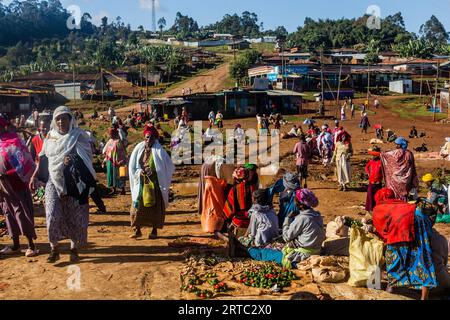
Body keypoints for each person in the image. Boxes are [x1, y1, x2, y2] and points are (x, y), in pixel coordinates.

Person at [30, 106, 97, 263]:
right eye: (58, 118)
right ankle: (54, 249)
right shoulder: (50, 138)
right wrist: (34, 176)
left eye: (64, 118)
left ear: (70, 119)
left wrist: (72, 158)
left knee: (75, 216)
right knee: (52, 214)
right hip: (53, 180)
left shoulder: (78, 136)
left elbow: (87, 157)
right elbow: (42, 159)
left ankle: (74, 249)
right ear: (55, 120)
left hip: (74, 182)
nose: (61, 122)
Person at [373, 191, 439, 300]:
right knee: (422, 256)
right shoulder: (400, 203)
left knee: (394, 255)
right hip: (418, 216)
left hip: (404, 224)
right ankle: (424, 297)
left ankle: (391, 287)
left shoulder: (380, 208)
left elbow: (383, 232)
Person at [247, 189, 325, 269]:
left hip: (302, 256)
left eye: (295, 200)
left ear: (301, 205)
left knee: (264, 253)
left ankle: (249, 251)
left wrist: (287, 219)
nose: (294, 202)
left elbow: (286, 237)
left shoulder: (302, 218)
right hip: (316, 251)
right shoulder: (317, 215)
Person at [0, 114, 38, 257]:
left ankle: (31, 245)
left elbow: (23, 164)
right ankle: (15, 244)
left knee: (21, 211)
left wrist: (7, 174)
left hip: (16, 183)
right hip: (2, 186)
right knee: (8, 212)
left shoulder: (13, 141)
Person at [128, 125, 175, 240]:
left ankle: (154, 231)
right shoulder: (139, 149)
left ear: (155, 138)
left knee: (155, 208)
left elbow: (168, 166)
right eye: (146, 137)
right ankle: (137, 230)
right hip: (141, 183)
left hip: (155, 184)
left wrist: (155, 173)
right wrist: (140, 172)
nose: (148, 140)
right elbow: (133, 166)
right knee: (137, 206)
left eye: (150, 138)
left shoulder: (160, 152)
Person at [223, 165, 259, 237]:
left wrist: (226, 219)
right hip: (252, 221)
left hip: (239, 222)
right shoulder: (254, 187)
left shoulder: (234, 189)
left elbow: (229, 210)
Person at [102, 128, 127, 196]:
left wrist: (121, 161)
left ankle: (122, 189)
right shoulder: (110, 141)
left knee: (119, 175)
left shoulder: (118, 141)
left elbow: (122, 152)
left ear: (115, 134)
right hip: (110, 161)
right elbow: (105, 151)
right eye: (110, 134)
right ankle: (114, 189)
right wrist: (104, 161)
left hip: (117, 161)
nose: (110, 135)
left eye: (111, 134)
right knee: (111, 175)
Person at [365, 146, 383, 213]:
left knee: (377, 196)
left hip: (378, 182)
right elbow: (366, 167)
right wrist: (368, 173)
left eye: (374, 155)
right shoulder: (371, 162)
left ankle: (377, 208)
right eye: (372, 155)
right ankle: (370, 209)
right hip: (371, 182)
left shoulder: (381, 162)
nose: (373, 157)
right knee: (370, 196)